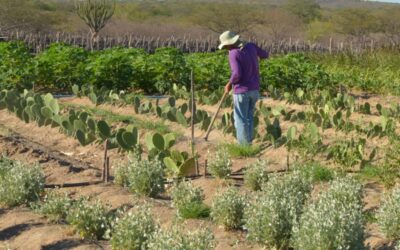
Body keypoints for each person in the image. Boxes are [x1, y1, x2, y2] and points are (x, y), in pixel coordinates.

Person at [219, 30, 269, 145]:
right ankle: (249, 142)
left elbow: (237, 73)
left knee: (240, 119)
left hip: (241, 91)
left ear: (231, 43)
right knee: (249, 117)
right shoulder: (251, 46)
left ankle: (243, 146)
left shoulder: (233, 53)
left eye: (226, 46)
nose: (226, 48)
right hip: (255, 90)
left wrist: (228, 84)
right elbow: (265, 54)